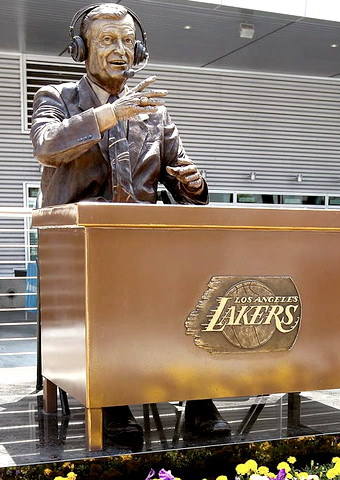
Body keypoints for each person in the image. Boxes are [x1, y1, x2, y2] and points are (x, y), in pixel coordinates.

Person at [30, 3, 230, 447]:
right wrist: (110, 114)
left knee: (197, 297)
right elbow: (47, 146)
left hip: (143, 246)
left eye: (126, 40)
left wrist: (193, 183)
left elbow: (183, 178)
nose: (120, 50)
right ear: (82, 48)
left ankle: (199, 401)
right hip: (80, 252)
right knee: (113, 297)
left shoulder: (154, 113)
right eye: (107, 40)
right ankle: (114, 403)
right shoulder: (56, 98)